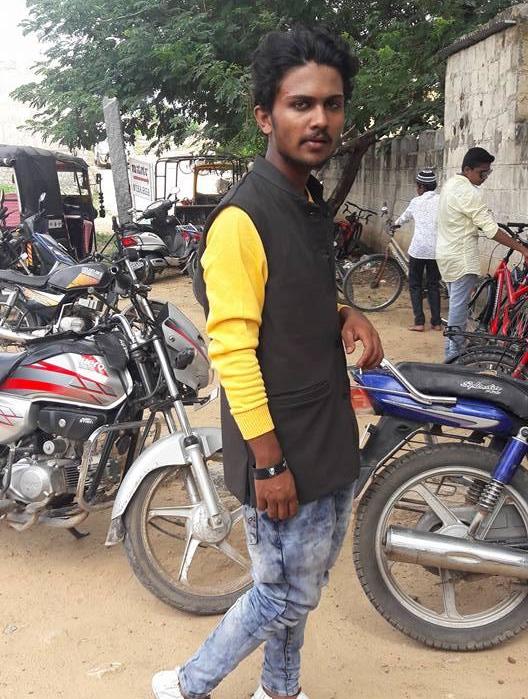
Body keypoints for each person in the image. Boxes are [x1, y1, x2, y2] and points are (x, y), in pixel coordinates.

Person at [152, 26, 383, 699]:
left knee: (300, 584)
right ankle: (187, 685)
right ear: (265, 116)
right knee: (282, 593)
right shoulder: (242, 219)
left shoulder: (306, 200)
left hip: (325, 430)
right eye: (300, 104)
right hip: (281, 446)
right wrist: (269, 464)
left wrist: (343, 311)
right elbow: (232, 348)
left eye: (332, 104)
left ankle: (279, 690)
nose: (320, 120)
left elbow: (290, 292)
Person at [437, 147, 528, 360]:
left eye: (488, 172)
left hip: (447, 256)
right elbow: (491, 230)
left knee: (457, 309)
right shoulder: (468, 192)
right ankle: (452, 360)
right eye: (482, 173)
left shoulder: (451, 185)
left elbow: (466, 219)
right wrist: (522, 249)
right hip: (461, 259)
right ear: (467, 170)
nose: (485, 177)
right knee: (458, 314)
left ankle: (453, 355)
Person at [394, 169, 441, 332]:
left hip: (418, 250)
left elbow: (404, 217)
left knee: (415, 285)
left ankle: (419, 322)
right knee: (433, 285)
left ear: (421, 187)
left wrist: (395, 224)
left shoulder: (416, 202)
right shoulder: (441, 201)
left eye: (417, 186)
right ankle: (436, 323)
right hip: (436, 251)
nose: (417, 189)